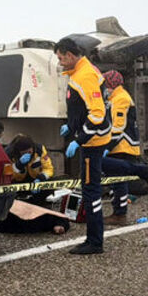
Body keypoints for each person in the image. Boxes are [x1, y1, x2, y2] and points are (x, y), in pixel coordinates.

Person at [55, 37, 111, 255]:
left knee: (91, 192)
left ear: (70, 55)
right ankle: (93, 239)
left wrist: (79, 140)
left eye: (60, 58)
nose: (59, 62)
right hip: (92, 139)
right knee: (91, 187)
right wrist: (71, 126)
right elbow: (82, 108)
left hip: (92, 143)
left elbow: (97, 113)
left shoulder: (85, 75)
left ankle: (94, 241)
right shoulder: (80, 72)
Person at [99, 70, 148, 226]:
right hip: (119, 145)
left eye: (105, 85)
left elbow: (118, 127)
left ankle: (119, 214)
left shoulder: (121, 99)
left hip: (122, 145)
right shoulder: (114, 98)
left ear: (111, 84)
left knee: (118, 181)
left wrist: (107, 146)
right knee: (117, 180)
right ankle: (118, 213)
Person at [5, 134, 55, 205]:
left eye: (29, 152)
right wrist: (18, 165)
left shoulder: (39, 150)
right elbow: (8, 176)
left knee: (50, 182)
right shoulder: (9, 154)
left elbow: (48, 168)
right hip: (19, 182)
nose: (28, 154)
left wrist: (40, 179)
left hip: (36, 179)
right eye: (24, 153)